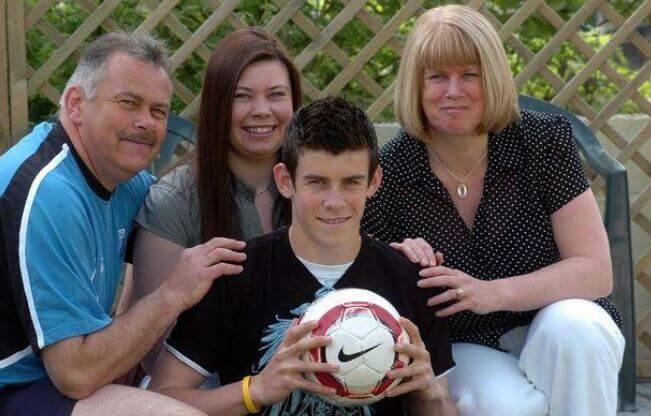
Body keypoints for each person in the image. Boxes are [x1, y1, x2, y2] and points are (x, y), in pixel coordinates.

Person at [361, 5, 625, 416]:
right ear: (415, 85)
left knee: (578, 330)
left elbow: (595, 270)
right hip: (464, 344)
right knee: (508, 407)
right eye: (437, 77)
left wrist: (490, 293)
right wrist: (398, 260)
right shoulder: (389, 172)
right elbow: (366, 287)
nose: (453, 91)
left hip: (555, 326)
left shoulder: (543, 143)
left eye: (470, 74)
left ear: (495, 78)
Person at [148, 97, 458, 416]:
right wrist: (254, 390)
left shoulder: (413, 280)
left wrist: (429, 393)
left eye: (351, 182)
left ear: (374, 181)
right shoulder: (236, 275)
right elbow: (160, 400)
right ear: (285, 180)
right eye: (317, 182)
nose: (334, 201)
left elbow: (440, 408)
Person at [0, 32, 244, 416]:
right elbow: (75, 375)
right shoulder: (50, 193)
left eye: (159, 111)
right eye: (129, 103)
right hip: (17, 383)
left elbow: (168, 225)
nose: (145, 122)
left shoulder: (126, 180)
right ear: (76, 104)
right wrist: (172, 293)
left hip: (56, 376)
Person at [131, 27, 301, 374]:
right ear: (218, 105)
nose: (261, 110)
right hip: (197, 391)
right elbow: (151, 354)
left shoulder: (317, 189)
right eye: (243, 96)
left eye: (276, 95)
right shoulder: (174, 201)